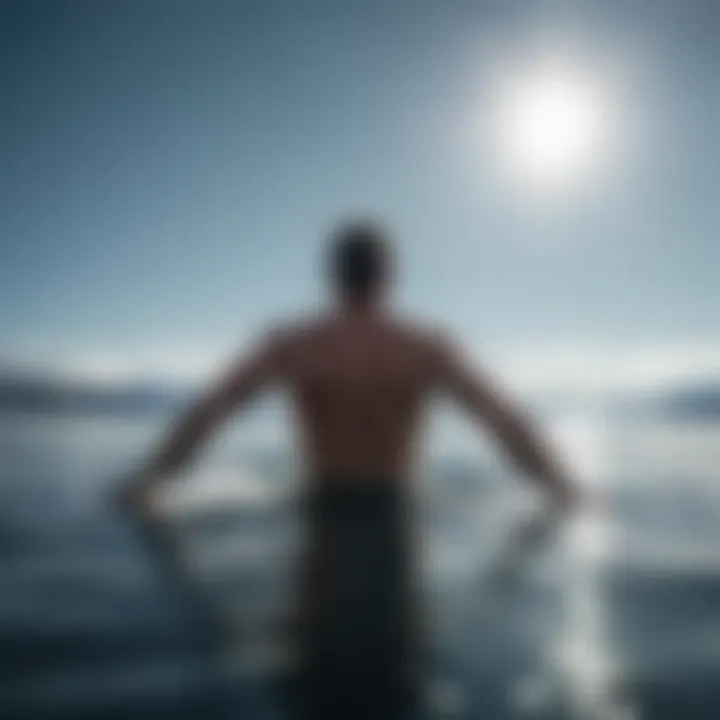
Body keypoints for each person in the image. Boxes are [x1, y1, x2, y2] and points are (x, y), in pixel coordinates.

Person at [115, 218, 580, 719]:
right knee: (400, 665)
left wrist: (150, 480)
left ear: (331, 276)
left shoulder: (292, 345)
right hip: (396, 516)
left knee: (313, 663)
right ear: (391, 276)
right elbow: (505, 422)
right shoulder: (425, 348)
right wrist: (562, 487)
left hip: (320, 515)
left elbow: (209, 412)